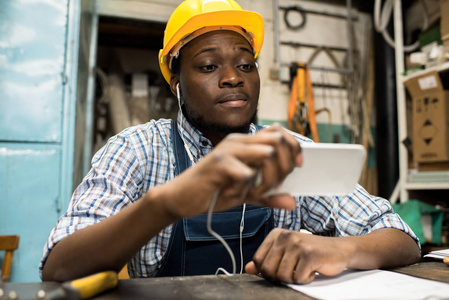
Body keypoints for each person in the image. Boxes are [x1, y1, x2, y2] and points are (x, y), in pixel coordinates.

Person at [40, 0, 420, 284]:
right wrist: (164, 203)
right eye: (208, 66)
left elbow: (402, 238)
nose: (232, 78)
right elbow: (58, 266)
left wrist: (342, 249)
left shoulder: (287, 152)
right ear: (176, 84)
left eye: (245, 65)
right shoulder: (137, 150)